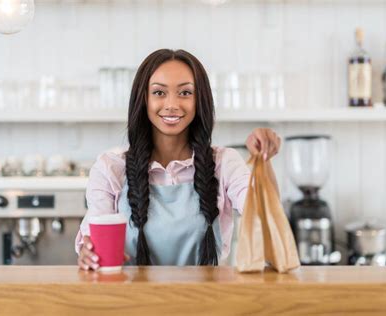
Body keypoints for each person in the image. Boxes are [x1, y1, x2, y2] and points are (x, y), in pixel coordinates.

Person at [76, 49, 281, 270]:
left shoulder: (224, 164)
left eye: (185, 93)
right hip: (131, 302)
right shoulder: (111, 168)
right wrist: (90, 253)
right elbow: (94, 241)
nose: (172, 104)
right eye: (159, 93)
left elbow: (265, 215)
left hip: (207, 301)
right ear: (143, 99)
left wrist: (262, 159)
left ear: (199, 99)